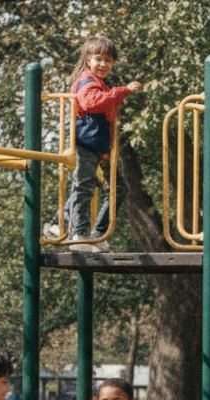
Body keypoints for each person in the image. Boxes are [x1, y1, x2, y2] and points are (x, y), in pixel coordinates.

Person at [57, 36, 143, 253]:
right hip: (85, 144)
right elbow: (91, 103)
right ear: (88, 60)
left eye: (109, 61)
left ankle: (97, 235)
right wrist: (124, 90)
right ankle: (79, 235)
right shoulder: (87, 81)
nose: (104, 65)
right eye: (99, 59)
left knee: (119, 187)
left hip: (102, 148)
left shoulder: (101, 83)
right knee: (83, 186)